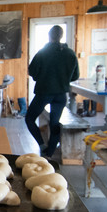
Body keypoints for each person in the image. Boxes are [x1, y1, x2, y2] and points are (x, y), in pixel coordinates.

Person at [25, 25, 79, 158]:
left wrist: (40, 77)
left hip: (44, 93)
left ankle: (42, 145)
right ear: (62, 36)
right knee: (54, 122)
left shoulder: (43, 52)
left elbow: (32, 71)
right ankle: (50, 153)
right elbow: (75, 76)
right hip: (61, 94)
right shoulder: (70, 53)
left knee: (29, 118)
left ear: (49, 36)